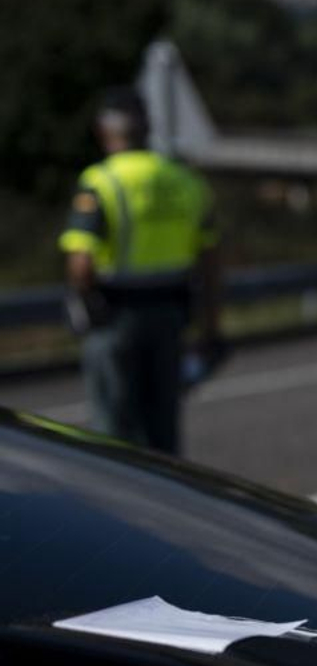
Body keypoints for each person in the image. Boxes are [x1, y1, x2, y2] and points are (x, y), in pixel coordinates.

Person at [58, 88, 223, 455]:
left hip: (114, 319)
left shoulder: (102, 181)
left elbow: (80, 263)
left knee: (114, 437)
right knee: (163, 432)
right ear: (148, 128)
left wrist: (83, 304)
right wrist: (211, 329)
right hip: (171, 317)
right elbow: (211, 264)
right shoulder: (186, 180)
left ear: (105, 131)